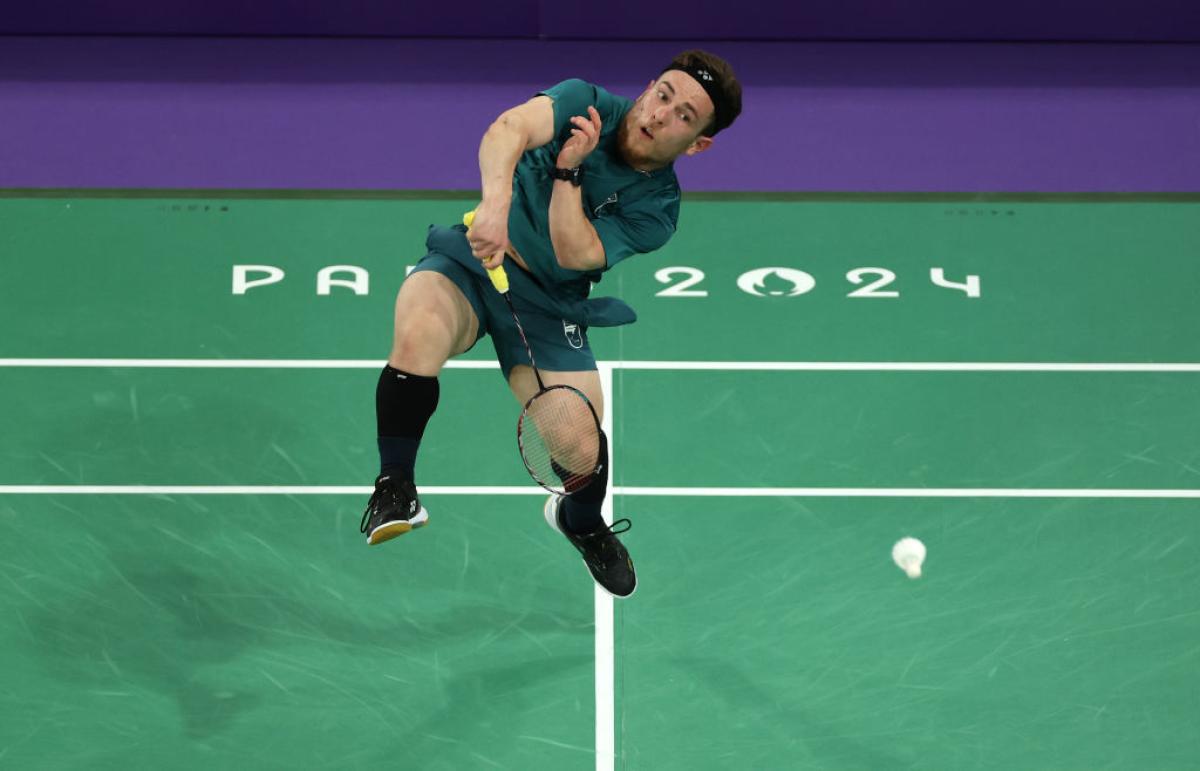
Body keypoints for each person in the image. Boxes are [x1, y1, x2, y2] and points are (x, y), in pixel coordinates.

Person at [360, 50, 742, 599]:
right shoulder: (584, 101)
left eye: (684, 116)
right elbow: (507, 129)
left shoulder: (658, 207)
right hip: (477, 261)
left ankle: (581, 522)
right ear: (648, 87)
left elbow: (574, 252)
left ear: (698, 142)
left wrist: (567, 170)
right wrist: (495, 205)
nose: (660, 115)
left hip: (547, 304)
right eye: (663, 94)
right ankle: (396, 485)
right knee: (419, 319)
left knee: (580, 444)